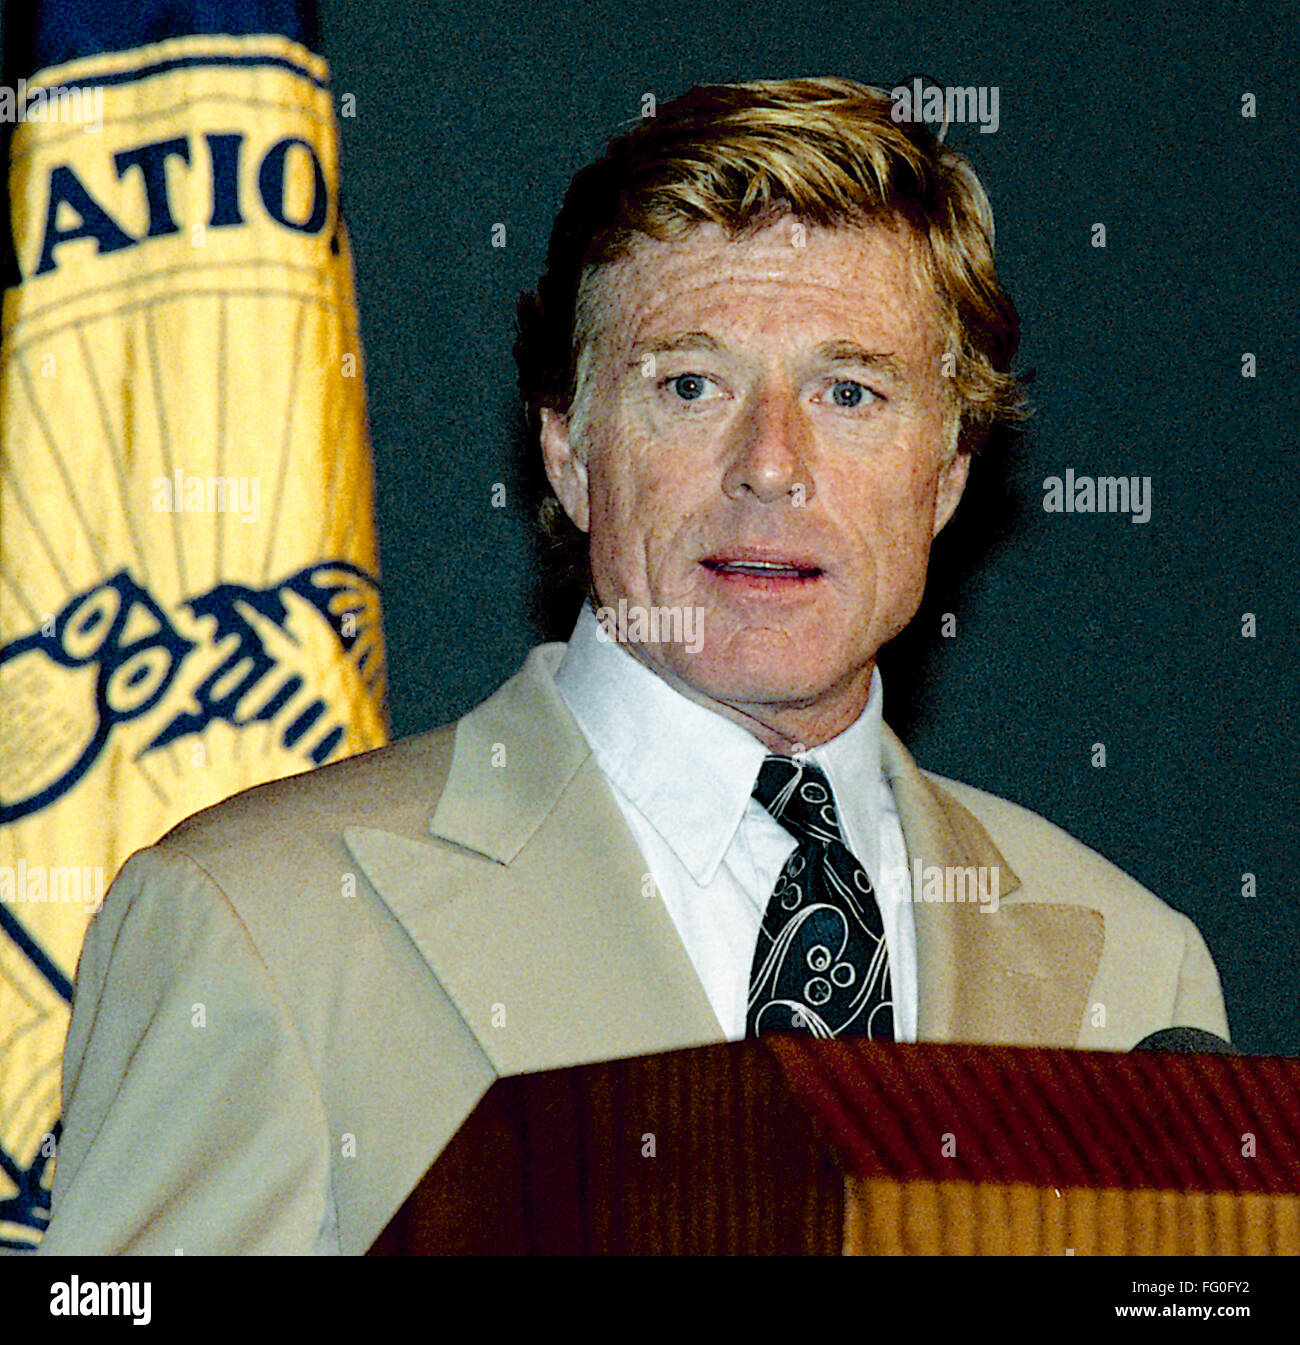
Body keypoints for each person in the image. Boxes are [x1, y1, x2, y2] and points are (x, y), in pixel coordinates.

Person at [38, 76, 1228, 1256]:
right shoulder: (258, 923)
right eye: (691, 384)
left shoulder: (1135, 972)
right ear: (567, 449)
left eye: (851, 390)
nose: (770, 464)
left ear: (950, 474)